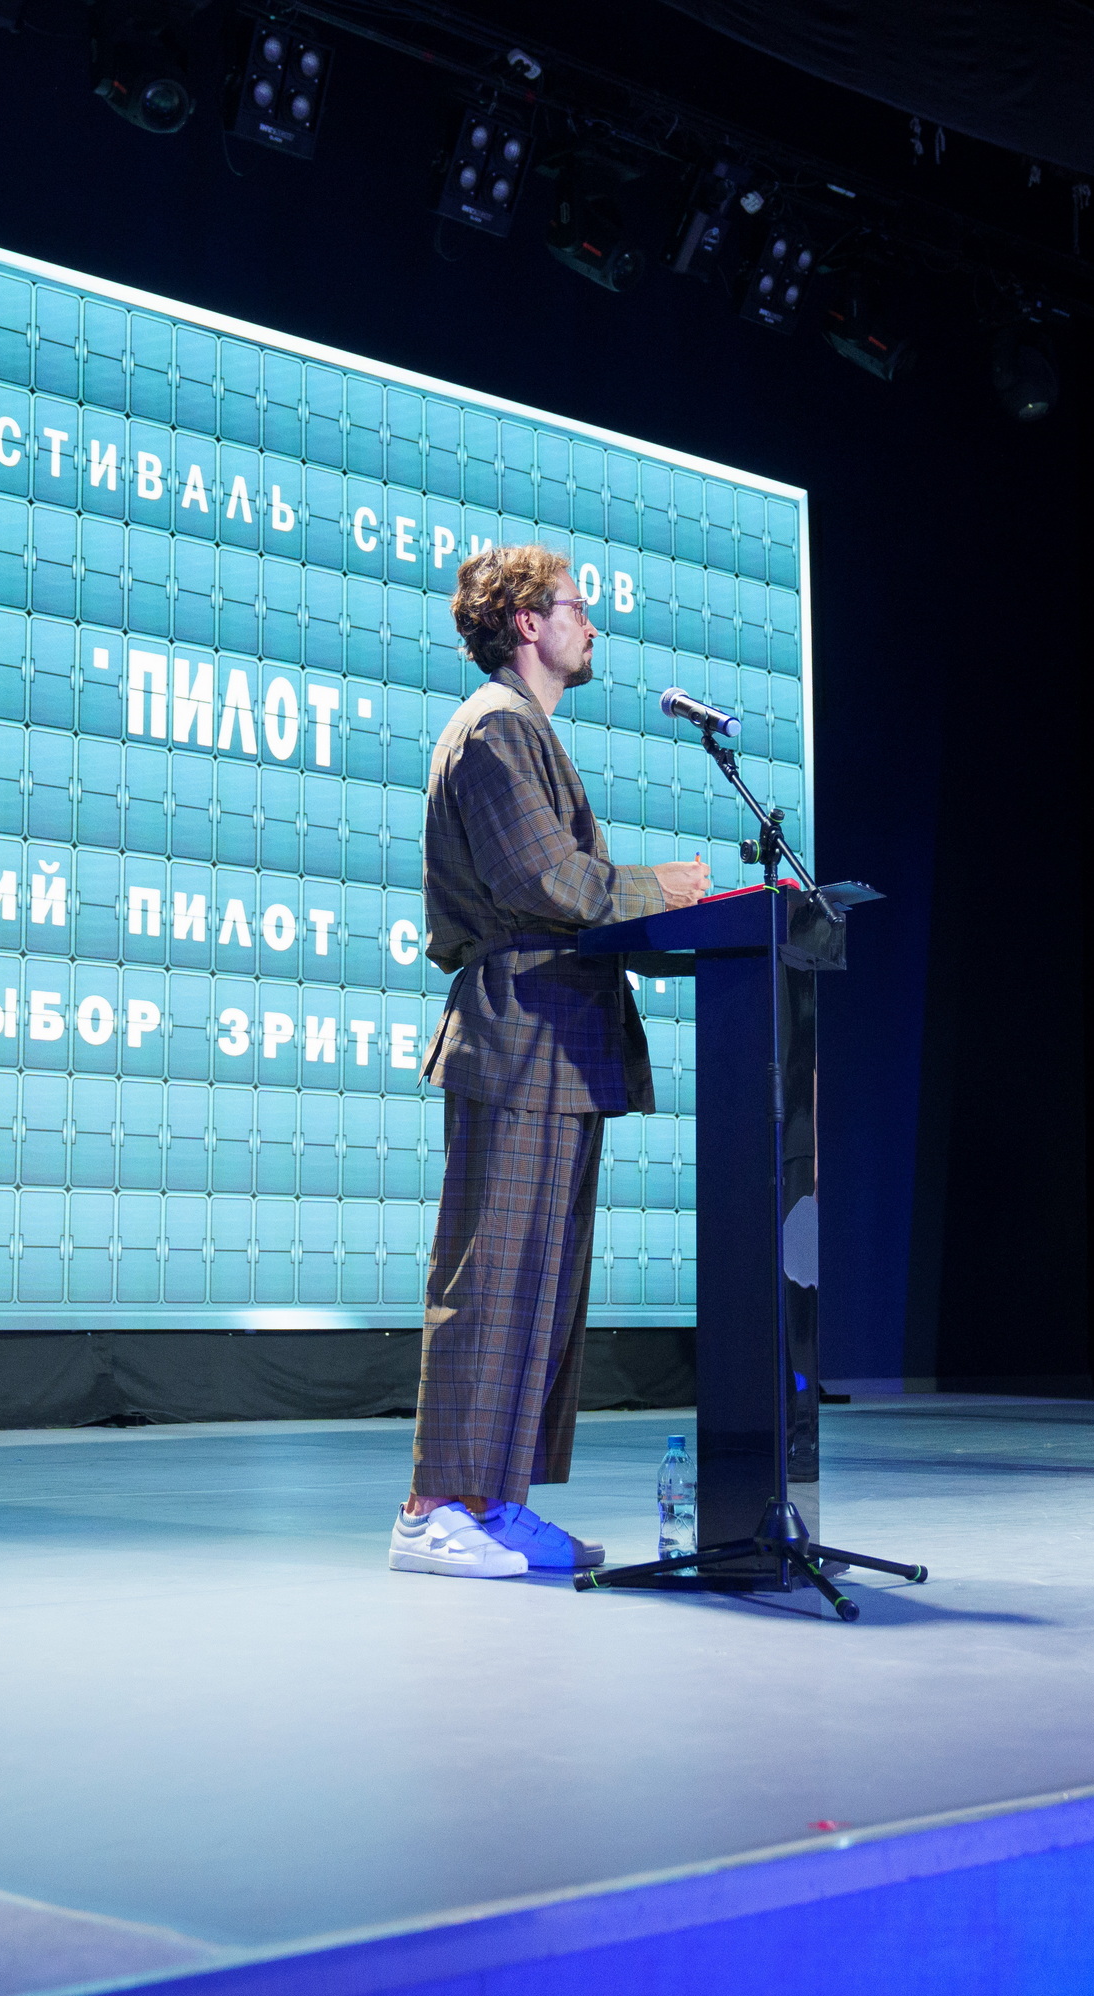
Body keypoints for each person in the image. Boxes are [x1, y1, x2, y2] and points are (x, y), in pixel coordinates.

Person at [390, 545, 713, 1578]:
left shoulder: (527, 731)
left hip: (557, 1043)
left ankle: (495, 1502)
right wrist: (662, 890)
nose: (593, 625)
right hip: (519, 1037)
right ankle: (435, 1509)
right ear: (527, 620)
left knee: (538, 1291)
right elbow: (547, 880)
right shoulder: (495, 728)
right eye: (578, 607)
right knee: (492, 1281)